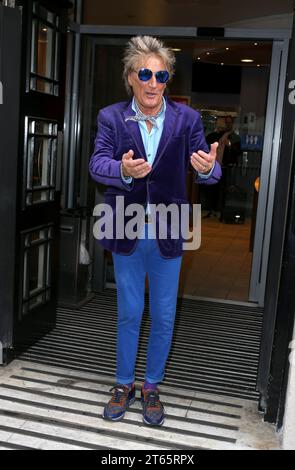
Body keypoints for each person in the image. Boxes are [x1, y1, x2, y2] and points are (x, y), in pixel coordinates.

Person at [89, 35, 221, 427]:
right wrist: (123, 172)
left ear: (167, 80)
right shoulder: (111, 117)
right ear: (130, 77)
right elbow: (97, 165)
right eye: (144, 73)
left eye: (161, 75)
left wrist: (206, 169)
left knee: (164, 315)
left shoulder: (188, 119)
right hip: (124, 225)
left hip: (169, 227)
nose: (152, 82)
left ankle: (151, 387)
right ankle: (123, 384)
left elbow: (210, 171)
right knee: (129, 312)